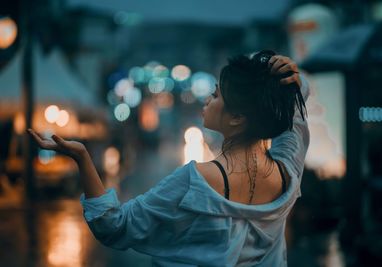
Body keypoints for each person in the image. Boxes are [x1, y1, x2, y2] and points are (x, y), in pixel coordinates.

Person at [29, 50, 309, 267]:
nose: (207, 100)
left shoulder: (196, 181)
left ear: (237, 117)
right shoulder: (288, 169)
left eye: (216, 95)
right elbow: (295, 105)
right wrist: (287, 74)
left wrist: (81, 157)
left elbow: (114, 226)